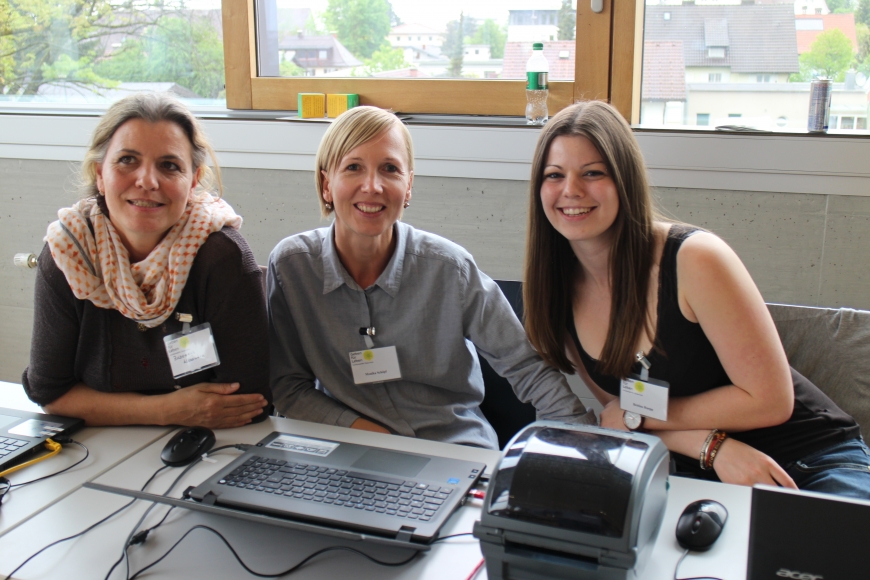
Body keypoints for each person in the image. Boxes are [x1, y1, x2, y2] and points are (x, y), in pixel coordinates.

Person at [523, 100, 870, 498]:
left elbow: (771, 402)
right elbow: (625, 418)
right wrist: (712, 448)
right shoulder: (557, 291)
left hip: (808, 460)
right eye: (554, 175)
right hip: (699, 469)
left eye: (593, 173)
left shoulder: (695, 258)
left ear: (625, 181)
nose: (571, 190)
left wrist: (645, 418)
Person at [268, 106, 594, 449]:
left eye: (390, 169)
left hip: (451, 449)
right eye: (353, 167)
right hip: (346, 449)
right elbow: (288, 387)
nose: (372, 186)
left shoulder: (450, 269)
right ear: (326, 185)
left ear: (408, 186)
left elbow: (527, 367)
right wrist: (372, 436)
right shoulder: (292, 268)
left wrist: (586, 442)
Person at [23, 93, 271, 428]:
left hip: (208, 447)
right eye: (127, 160)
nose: (147, 182)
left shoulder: (223, 260)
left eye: (169, 165)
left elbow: (248, 402)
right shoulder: (67, 254)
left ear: (193, 181)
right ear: (99, 174)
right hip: (96, 447)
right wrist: (168, 410)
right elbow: (49, 391)